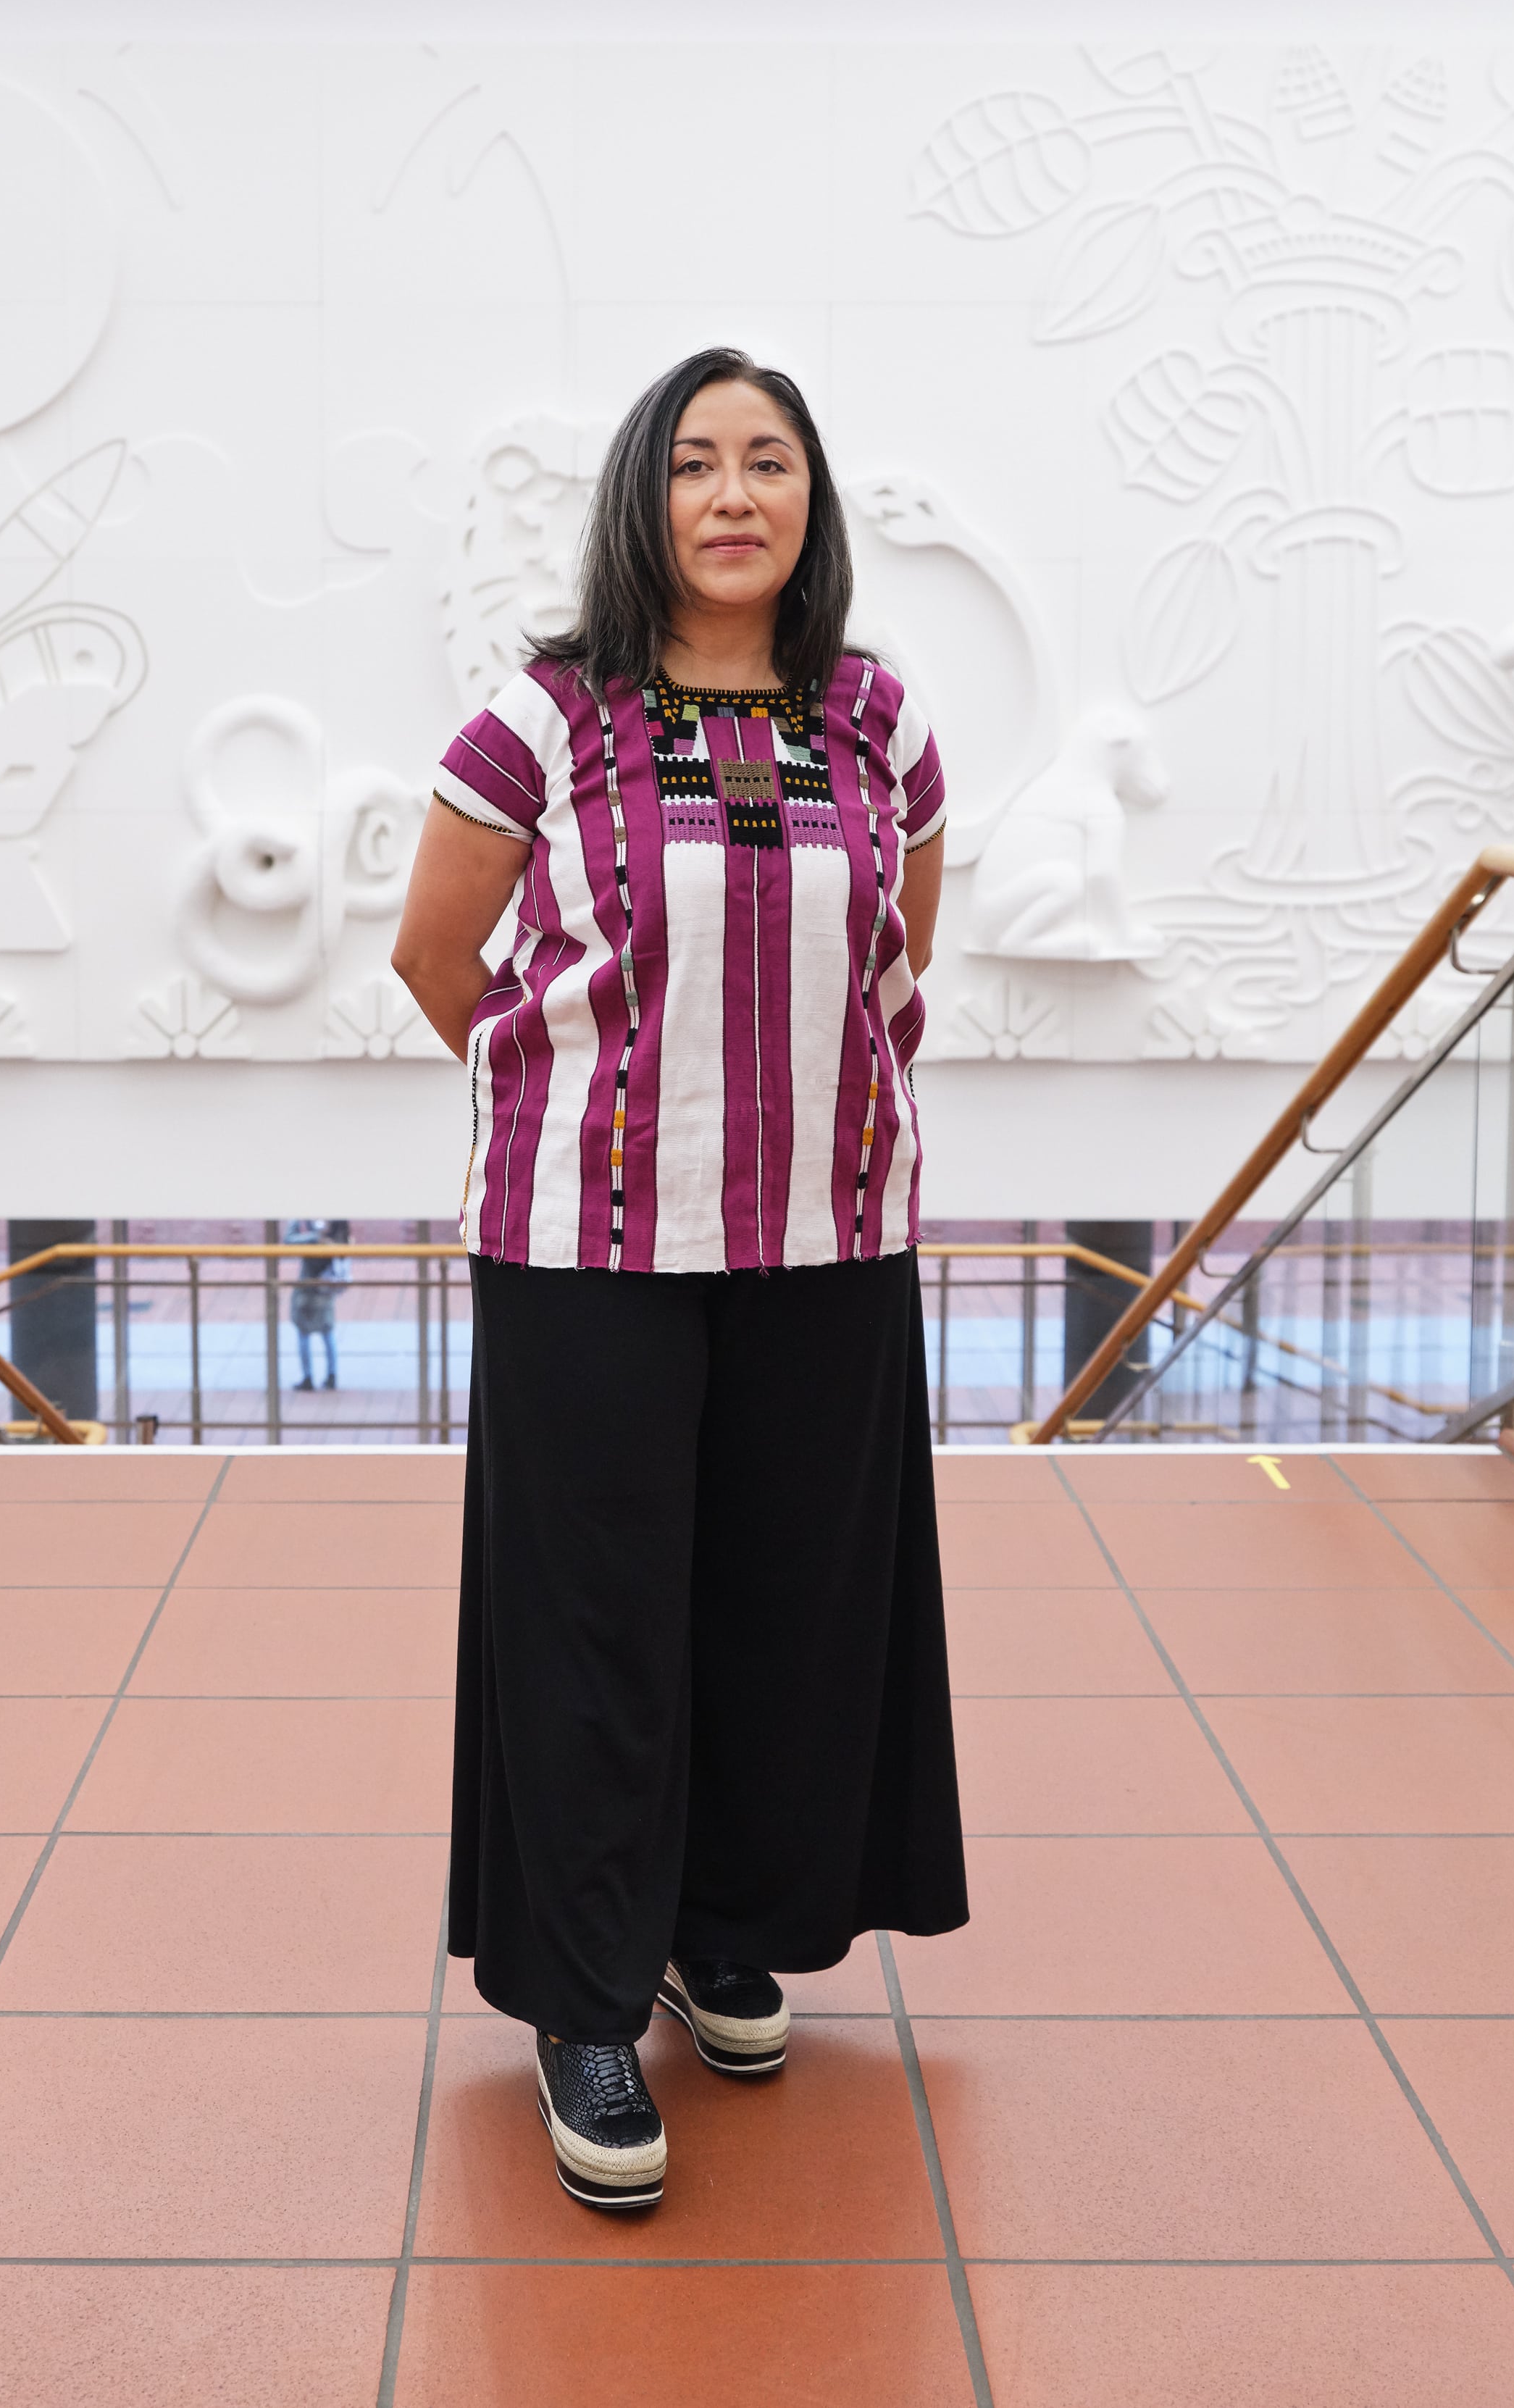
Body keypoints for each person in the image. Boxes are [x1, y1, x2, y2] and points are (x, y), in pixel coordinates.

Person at [390, 346, 969, 2216]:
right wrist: (577, 1097)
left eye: (769, 462)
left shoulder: (880, 719)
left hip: (828, 1234)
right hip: (591, 1251)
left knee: (784, 1607)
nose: (734, 495)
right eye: (698, 463)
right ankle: (577, 2000)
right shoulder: (544, 721)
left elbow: (897, 967)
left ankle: (722, 1926)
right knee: (596, 1625)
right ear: (645, 500)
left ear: (813, 501)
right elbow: (437, 956)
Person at [286, 1217, 347, 1391]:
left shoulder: (305, 1224)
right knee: (327, 1332)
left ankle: (309, 1377)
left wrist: (313, 1238)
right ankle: (331, 1375)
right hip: (326, 1283)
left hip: (309, 1285)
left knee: (305, 1332)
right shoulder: (336, 1226)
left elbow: (288, 1240)